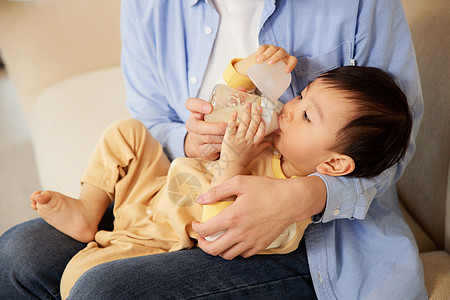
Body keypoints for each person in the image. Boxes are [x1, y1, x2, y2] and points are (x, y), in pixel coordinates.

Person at [0, 1, 426, 299]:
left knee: (98, 285)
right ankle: (88, 210)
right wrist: (206, 120)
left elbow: (391, 145)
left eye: (307, 113)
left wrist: (308, 195)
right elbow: (160, 117)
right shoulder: (151, 8)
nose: (289, 107)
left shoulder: (356, 6)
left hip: (296, 233)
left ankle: (114, 242)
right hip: (173, 183)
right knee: (20, 252)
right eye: (301, 96)